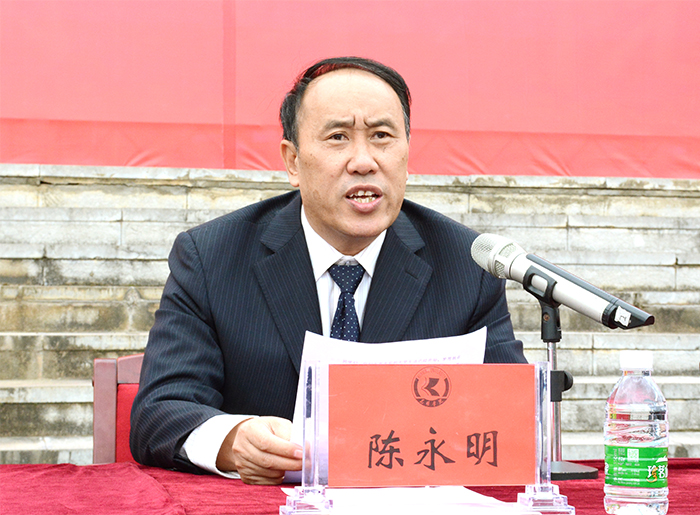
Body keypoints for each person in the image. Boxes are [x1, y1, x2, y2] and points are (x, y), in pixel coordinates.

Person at [130, 56, 526, 485]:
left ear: (407, 154)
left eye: (382, 136)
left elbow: (514, 417)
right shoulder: (212, 258)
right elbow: (160, 410)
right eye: (338, 137)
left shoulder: (466, 264)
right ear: (292, 161)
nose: (363, 161)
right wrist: (234, 440)